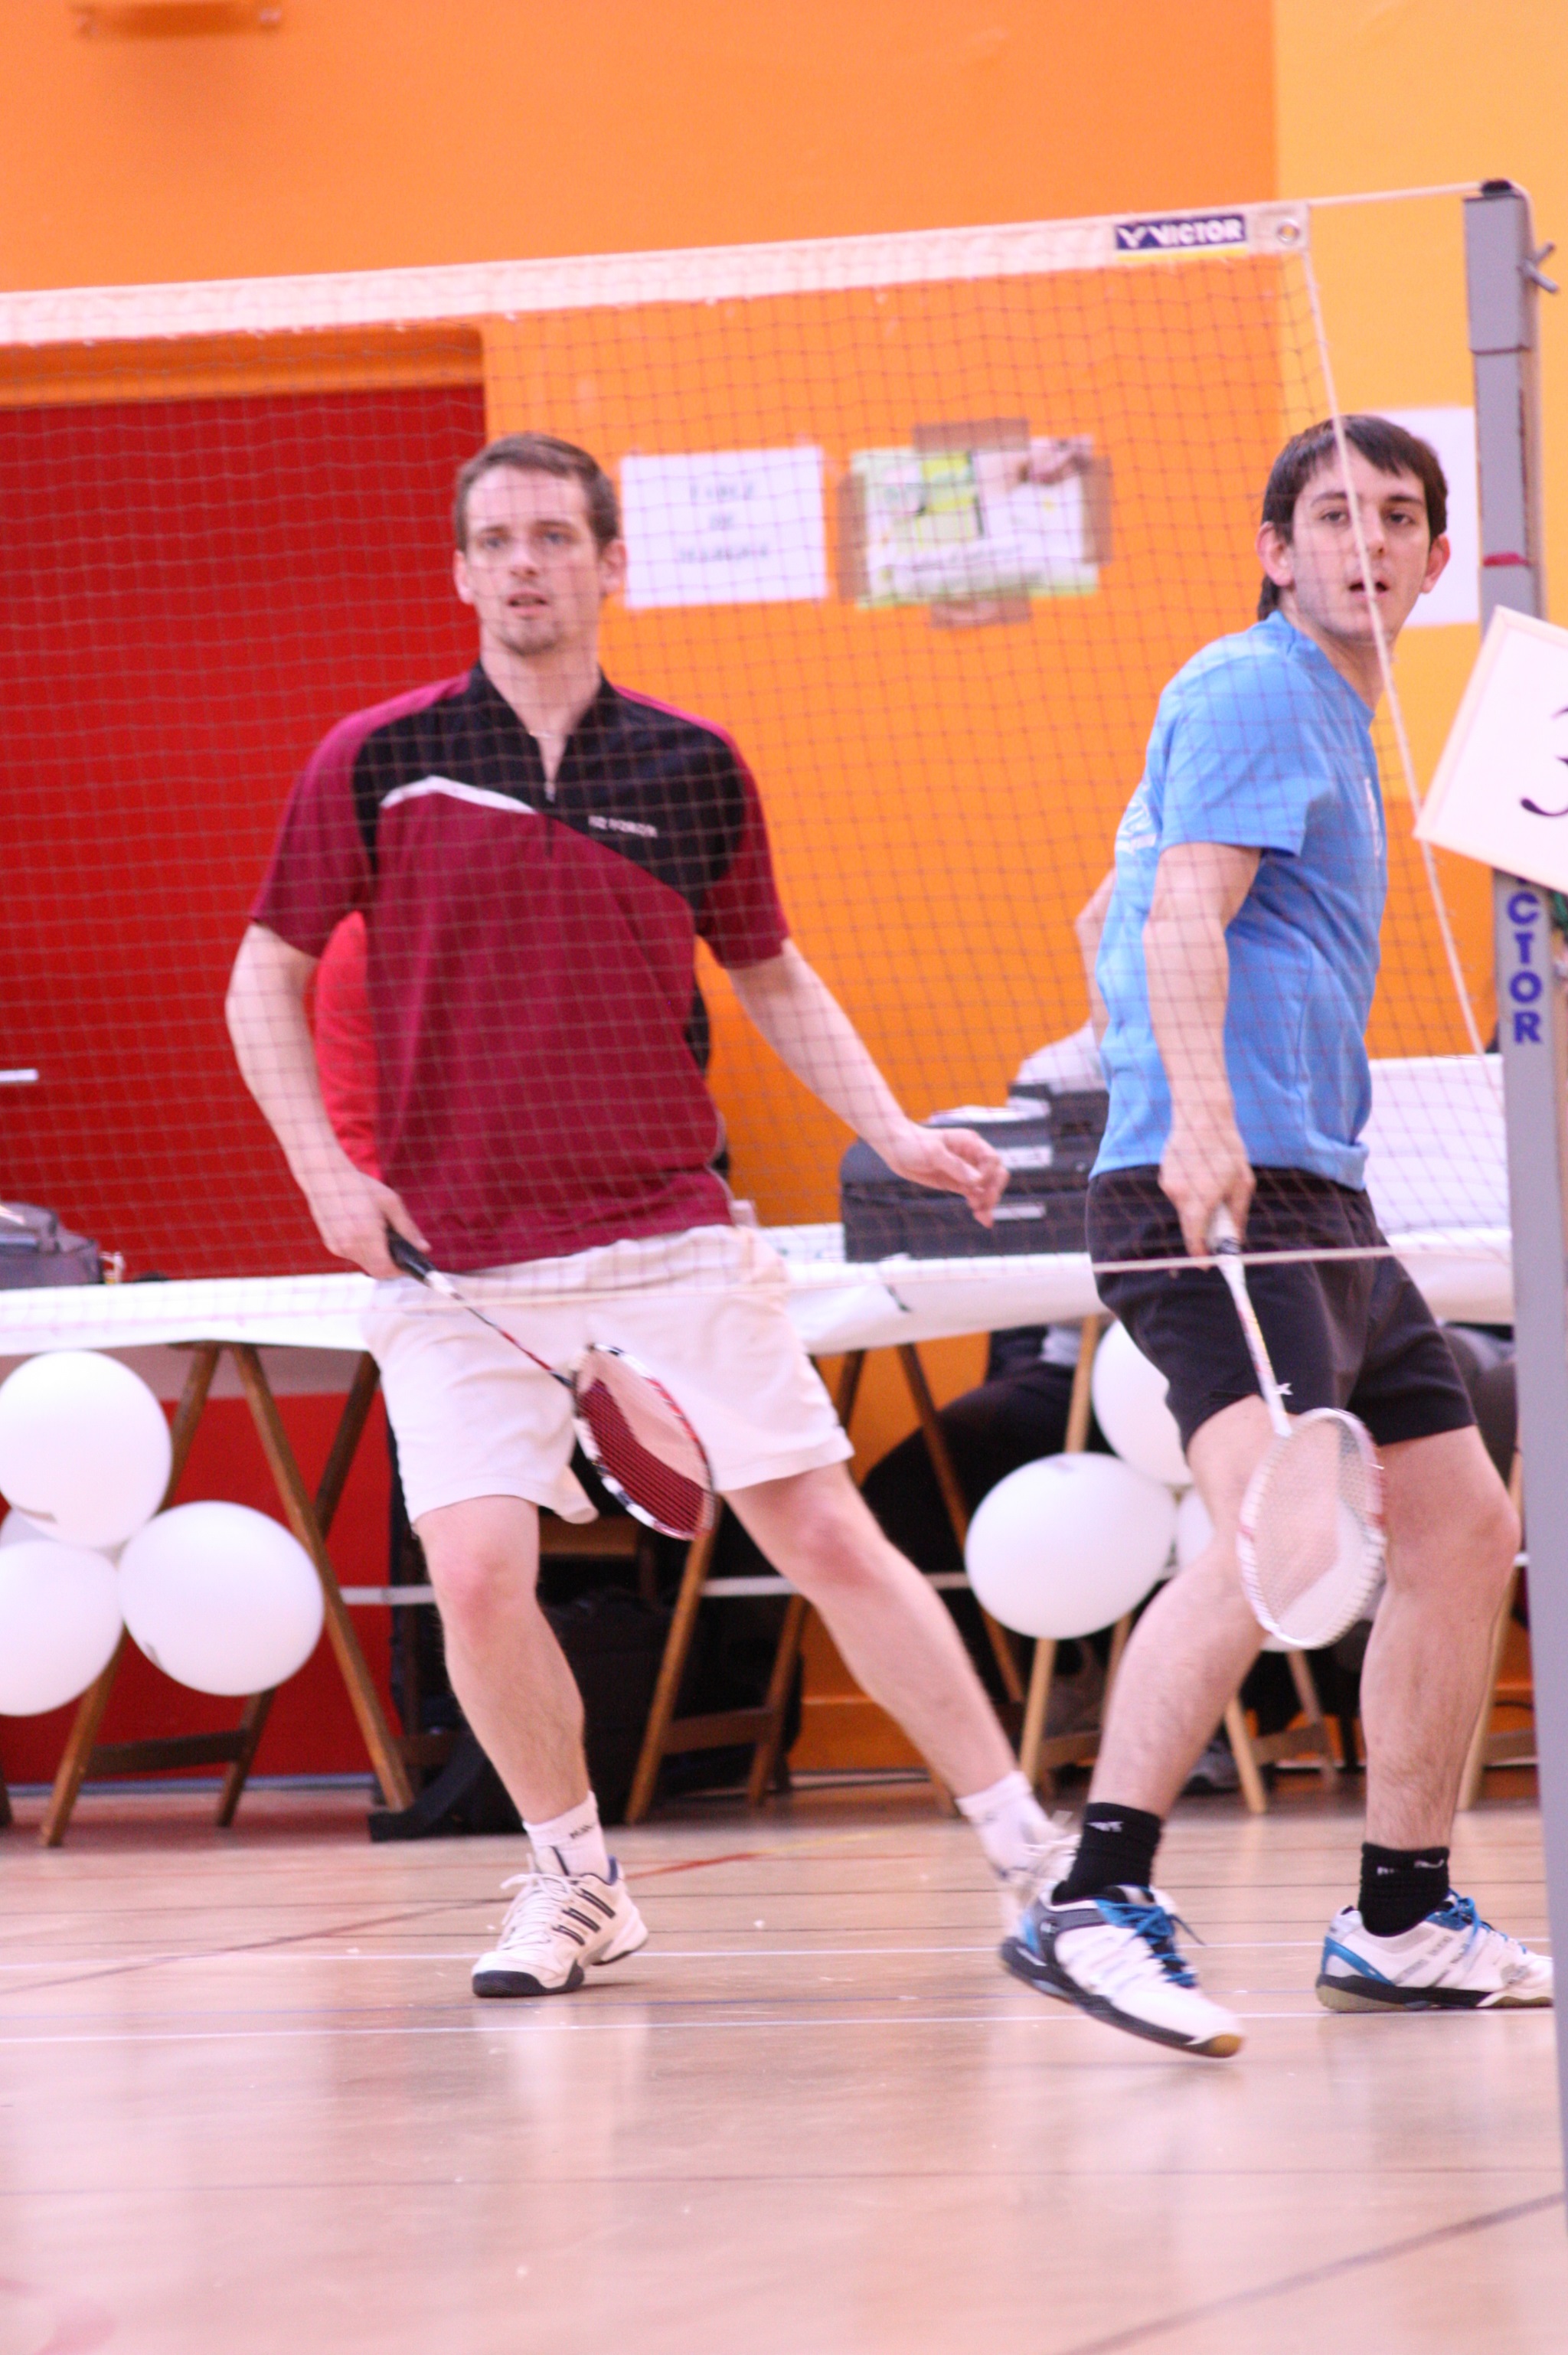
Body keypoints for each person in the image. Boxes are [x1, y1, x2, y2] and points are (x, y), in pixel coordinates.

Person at [227, 430, 1060, 1998]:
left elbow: (768, 969)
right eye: (495, 541)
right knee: (478, 1574)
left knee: (824, 1529)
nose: (524, 565)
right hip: (459, 1260)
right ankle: (576, 1880)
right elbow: (260, 976)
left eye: (554, 536)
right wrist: (327, 1175)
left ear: (611, 562)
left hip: (668, 1232)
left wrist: (890, 1128)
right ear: (460, 571)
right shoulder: (378, 760)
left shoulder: (691, 764)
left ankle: (1034, 1855)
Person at [1002, 414, 1553, 2057]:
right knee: (1276, 1537)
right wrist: (1197, 1111)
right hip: (1224, 1186)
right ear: (1274, 549)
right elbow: (1180, 910)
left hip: (1321, 1191)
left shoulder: (1328, 716)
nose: (1362, 541)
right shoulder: (1254, 685)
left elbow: (1106, 911)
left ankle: (1399, 1917)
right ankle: (1092, 1900)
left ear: (1434, 559)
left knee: (1461, 1527)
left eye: (1394, 517)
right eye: (1329, 514)